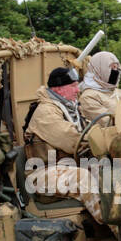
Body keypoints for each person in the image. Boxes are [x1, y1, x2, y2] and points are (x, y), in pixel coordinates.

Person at [23, 66, 106, 223]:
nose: (77, 90)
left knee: (109, 170)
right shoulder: (46, 113)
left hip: (67, 167)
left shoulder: (71, 108)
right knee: (83, 178)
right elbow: (74, 141)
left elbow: (90, 129)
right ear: (58, 89)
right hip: (42, 174)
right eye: (73, 86)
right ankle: (112, 223)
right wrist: (104, 141)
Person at [78, 51, 121, 124]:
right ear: (99, 69)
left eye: (116, 67)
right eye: (111, 67)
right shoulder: (88, 97)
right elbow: (106, 122)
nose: (115, 71)